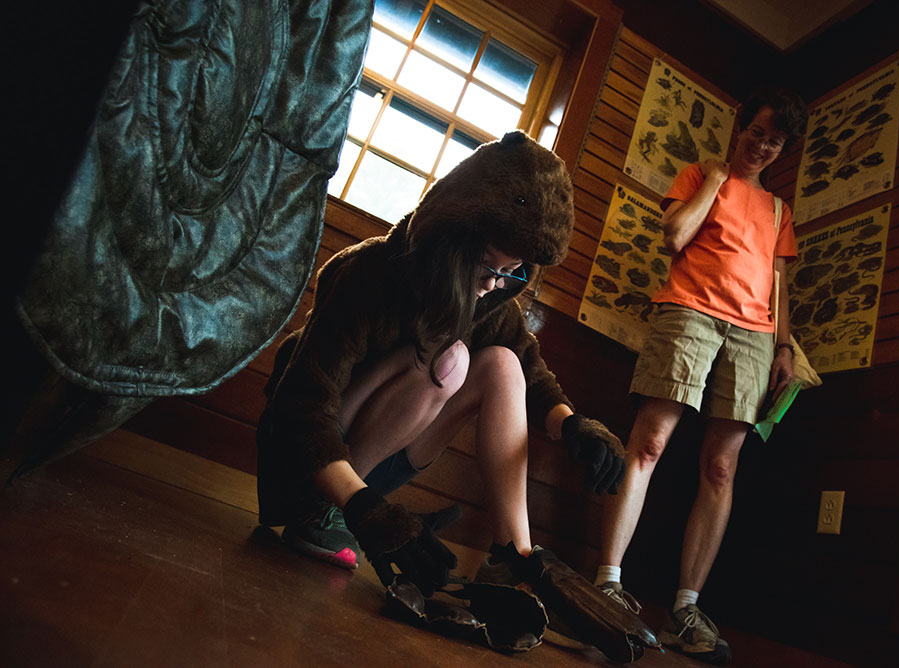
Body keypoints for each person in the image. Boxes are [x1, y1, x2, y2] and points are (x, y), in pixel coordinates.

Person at [255, 130, 627, 597]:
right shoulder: (367, 272)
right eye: (488, 265)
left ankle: (515, 554)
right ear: (453, 236)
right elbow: (302, 407)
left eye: (511, 272)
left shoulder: (493, 297)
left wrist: (572, 426)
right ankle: (321, 515)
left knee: (502, 364)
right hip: (308, 467)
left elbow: (531, 372)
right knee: (449, 358)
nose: (495, 285)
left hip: (373, 469)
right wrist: (365, 510)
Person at [594, 87, 807, 665]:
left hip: (756, 336)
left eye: (775, 141)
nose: (763, 146)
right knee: (650, 444)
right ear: (742, 128)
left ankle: (686, 607)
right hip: (688, 311)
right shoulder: (697, 174)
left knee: (720, 466)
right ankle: (607, 584)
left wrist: (783, 345)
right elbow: (673, 235)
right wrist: (716, 181)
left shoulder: (780, 211)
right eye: (757, 133)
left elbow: (780, 282)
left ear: (783, 149)